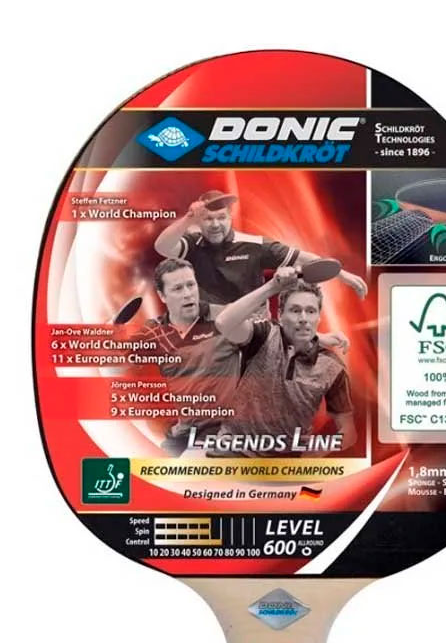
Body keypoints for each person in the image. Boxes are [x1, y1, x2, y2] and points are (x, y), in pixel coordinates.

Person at [136, 258, 350, 456]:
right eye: (177, 288)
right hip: (184, 431)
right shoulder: (153, 331)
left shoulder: (226, 317)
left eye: (190, 285)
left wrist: (317, 338)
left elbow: (277, 329)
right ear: (162, 296)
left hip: (220, 432)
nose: (187, 294)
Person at [210, 266, 356, 457]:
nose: (303, 318)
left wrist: (312, 456)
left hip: (287, 461)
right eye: (295, 310)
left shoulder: (332, 367)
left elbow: (348, 433)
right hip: (234, 452)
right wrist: (273, 286)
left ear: (319, 317)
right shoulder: (263, 336)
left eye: (310, 311)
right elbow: (223, 323)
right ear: (280, 315)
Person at [153, 190, 367, 306]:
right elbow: (162, 247)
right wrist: (188, 219)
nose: (215, 224)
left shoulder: (255, 245)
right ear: (199, 222)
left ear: (230, 217)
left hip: (254, 329)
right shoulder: (192, 244)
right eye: (208, 219)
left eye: (221, 217)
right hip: (211, 330)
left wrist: (342, 274)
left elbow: (303, 258)